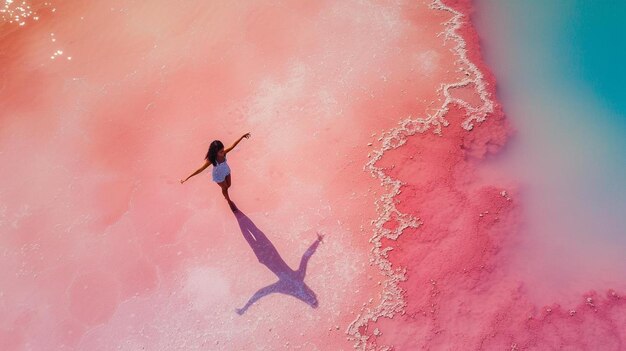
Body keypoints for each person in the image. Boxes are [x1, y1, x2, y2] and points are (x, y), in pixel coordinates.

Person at [180, 133, 251, 212]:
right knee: (225, 188)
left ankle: (225, 195)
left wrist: (242, 136)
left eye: (223, 150)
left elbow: (233, 145)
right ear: (215, 152)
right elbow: (200, 169)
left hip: (226, 170)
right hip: (218, 176)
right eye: (220, 151)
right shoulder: (212, 160)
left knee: (229, 185)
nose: (223, 152)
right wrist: (187, 178)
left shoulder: (224, 153)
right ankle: (228, 201)